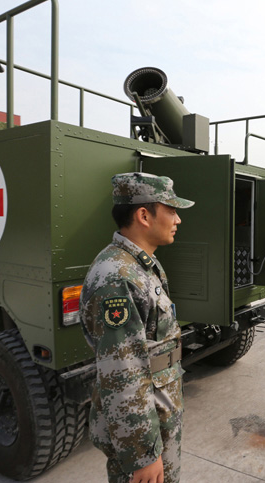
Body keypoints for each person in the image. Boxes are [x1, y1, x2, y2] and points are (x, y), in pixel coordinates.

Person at [79, 172, 195, 483]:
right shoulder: (117, 277)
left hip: (158, 414)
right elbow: (123, 371)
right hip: (142, 434)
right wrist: (142, 454)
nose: (177, 219)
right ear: (144, 215)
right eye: (171, 210)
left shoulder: (139, 265)